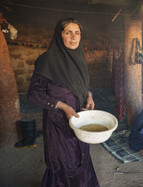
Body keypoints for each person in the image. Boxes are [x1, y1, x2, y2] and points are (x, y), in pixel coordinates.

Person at [27, 18, 99, 187]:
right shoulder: (46, 61)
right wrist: (63, 106)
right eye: (68, 32)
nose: (73, 37)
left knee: (83, 158)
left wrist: (89, 95)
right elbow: (33, 94)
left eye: (77, 33)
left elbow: (83, 85)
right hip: (58, 124)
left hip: (80, 119)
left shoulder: (79, 59)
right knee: (64, 163)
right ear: (59, 35)